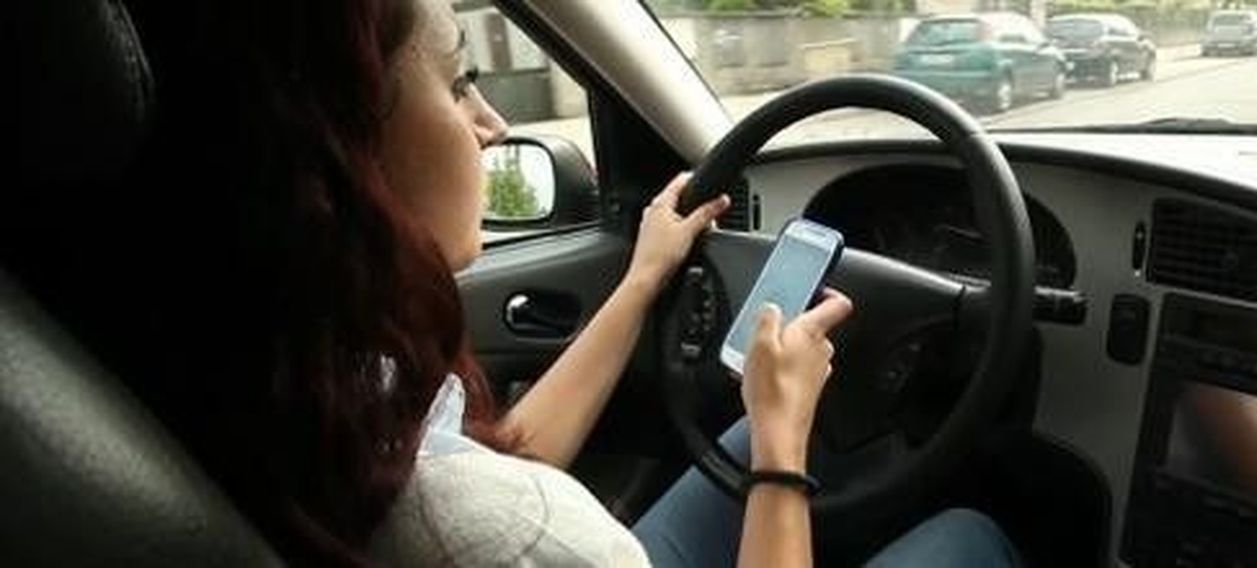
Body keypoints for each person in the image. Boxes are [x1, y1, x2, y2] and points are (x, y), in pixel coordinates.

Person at [93, 0, 1020, 565]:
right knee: (967, 536)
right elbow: (507, 510)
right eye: (458, 83)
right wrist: (782, 447)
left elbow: (493, 464)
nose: (491, 123)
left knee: (746, 427)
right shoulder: (511, 538)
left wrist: (644, 277)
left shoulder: (292, 379)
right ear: (335, 150)